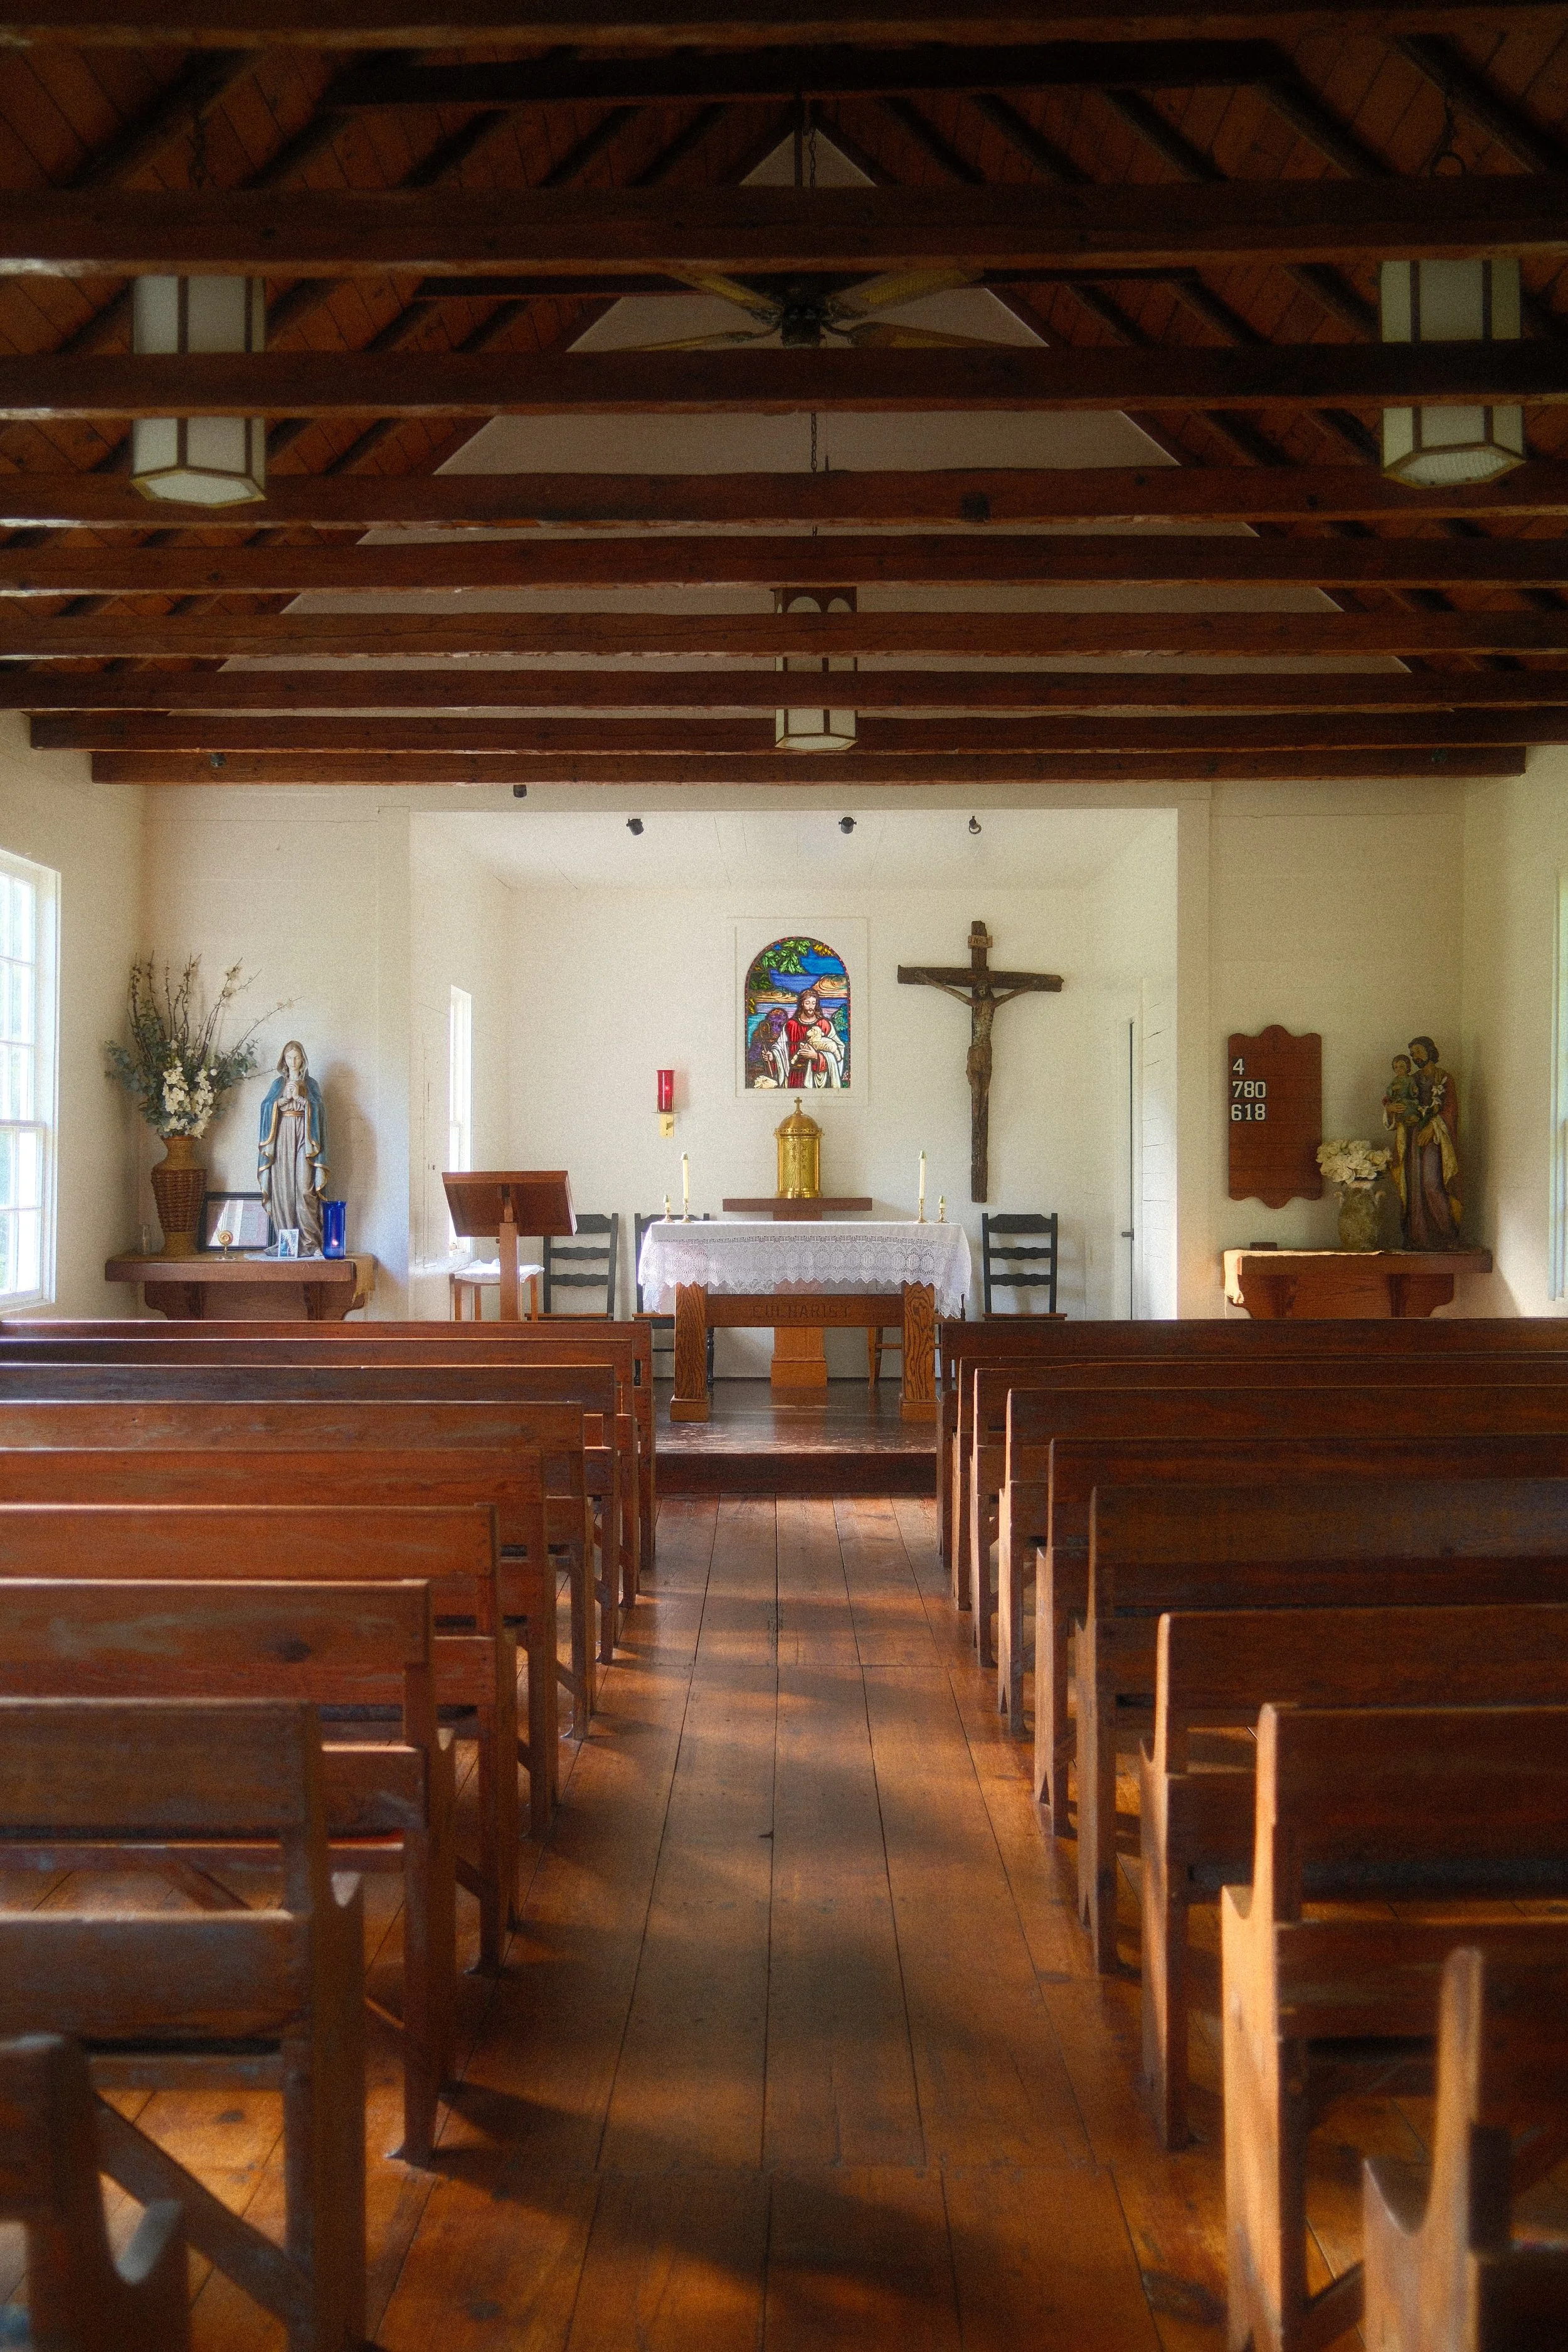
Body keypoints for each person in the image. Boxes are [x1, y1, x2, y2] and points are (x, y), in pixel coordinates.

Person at [257, 1039, 329, 1254]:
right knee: (284, 1189)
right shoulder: (278, 1084)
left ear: (303, 1058)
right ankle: (287, 1244)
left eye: (297, 1057)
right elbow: (266, 1106)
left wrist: (302, 1099)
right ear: (284, 1060)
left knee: (305, 1188)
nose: (293, 1061)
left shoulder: (311, 1084)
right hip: (283, 1135)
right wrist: (281, 1101)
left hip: (305, 1138)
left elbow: (320, 1109)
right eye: (289, 1057)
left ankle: (311, 1243)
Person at [1404, 1035, 1461, 1248]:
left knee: (1431, 1183)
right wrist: (1393, 1109)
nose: (1415, 1056)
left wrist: (1433, 1126)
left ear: (1430, 1051)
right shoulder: (1414, 1080)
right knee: (1415, 1185)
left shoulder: (1445, 1078)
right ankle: (1419, 1238)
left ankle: (1447, 1236)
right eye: (1412, 1054)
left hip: (1437, 1137)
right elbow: (1404, 1101)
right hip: (1416, 1135)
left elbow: (1451, 1108)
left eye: (1418, 1051)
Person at [1380, 1052, 1421, 1229]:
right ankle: (1410, 1226)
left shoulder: (1414, 1081)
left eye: (1402, 1066)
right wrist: (1389, 1108)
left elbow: (1417, 1098)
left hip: (1420, 1130)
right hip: (1404, 1132)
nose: (1399, 1070)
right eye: (1396, 1067)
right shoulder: (1394, 1083)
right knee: (1404, 1178)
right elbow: (1388, 1101)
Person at [785, 987, 846, 1088]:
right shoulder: (791, 1025)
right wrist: (772, 1056)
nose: (811, 1007)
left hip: (819, 1074)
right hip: (796, 1076)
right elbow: (780, 1047)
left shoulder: (825, 1024)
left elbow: (839, 1049)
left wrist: (817, 1056)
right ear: (801, 1004)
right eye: (807, 1003)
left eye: (813, 1003)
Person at [746, 1005, 792, 1089]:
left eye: (779, 1025)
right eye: (773, 1024)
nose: (776, 1028)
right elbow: (754, 1056)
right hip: (757, 1065)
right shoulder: (760, 1034)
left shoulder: (784, 1035)